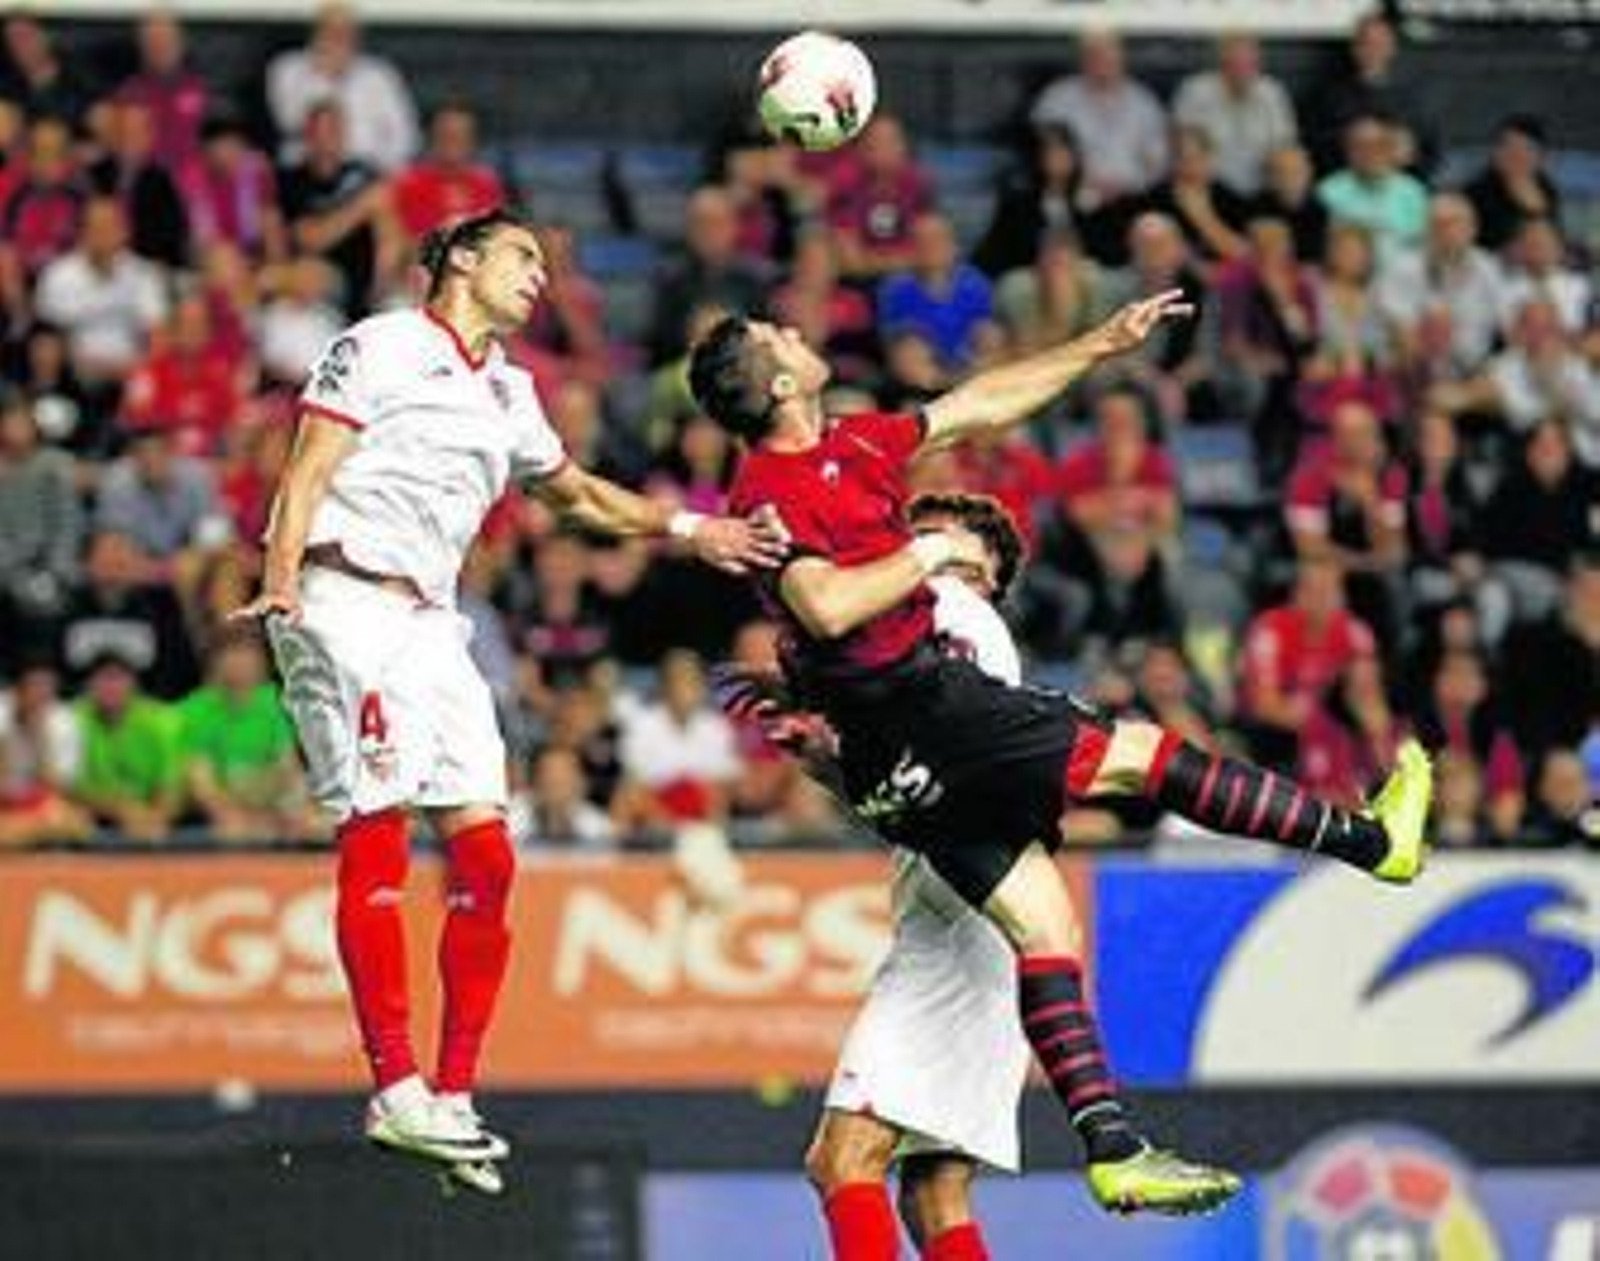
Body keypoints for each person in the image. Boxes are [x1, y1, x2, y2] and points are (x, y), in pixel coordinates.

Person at [688, 291, 1433, 1231]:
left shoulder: (861, 445)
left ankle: (1114, 1146)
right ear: (782, 381)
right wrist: (928, 552)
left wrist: (1095, 343)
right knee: (1145, 756)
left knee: (1045, 933)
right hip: (930, 717)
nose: (796, 330)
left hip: (906, 770)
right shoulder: (772, 493)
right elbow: (829, 606)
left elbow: (980, 404)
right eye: (777, 336)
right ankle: (1368, 841)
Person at [233, 206, 788, 1194]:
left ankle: (450, 1094)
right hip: (340, 590)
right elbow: (309, 466)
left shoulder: (510, 389)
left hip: (434, 623)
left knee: (486, 850)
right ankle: (394, 1083)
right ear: (457, 259)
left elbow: (573, 495)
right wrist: (282, 578)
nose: (540, 274)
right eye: (522, 255)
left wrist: (689, 528)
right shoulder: (379, 343)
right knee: (379, 824)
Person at [731, 492, 1035, 1261]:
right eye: (916, 536)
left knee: (842, 1160)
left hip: (961, 925)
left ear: (984, 573)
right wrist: (829, 757)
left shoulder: (957, 615)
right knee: (935, 1193)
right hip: (980, 915)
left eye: (941, 541)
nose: (919, 548)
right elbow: (914, 791)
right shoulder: (939, 644)